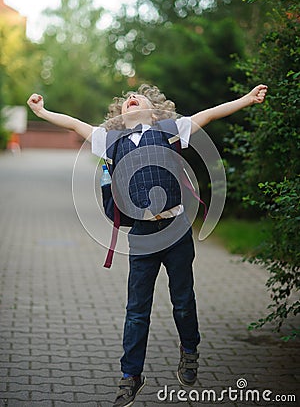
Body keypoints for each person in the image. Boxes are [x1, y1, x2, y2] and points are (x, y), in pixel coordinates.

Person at [27, 83, 267, 407]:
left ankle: (189, 349)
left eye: (137, 99)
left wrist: (246, 99)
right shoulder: (110, 140)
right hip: (142, 235)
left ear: (155, 113)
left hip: (177, 230)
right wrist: (42, 112)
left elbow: (209, 115)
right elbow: (73, 124)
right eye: (126, 100)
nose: (130, 100)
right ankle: (131, 376)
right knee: (137, 310)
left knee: (182, 300)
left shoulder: (170, 130)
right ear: (119, 116)